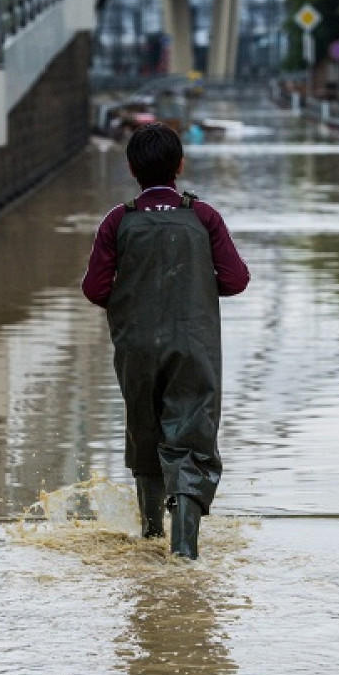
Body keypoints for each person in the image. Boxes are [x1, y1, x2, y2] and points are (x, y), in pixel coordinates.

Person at [81, 123, 250, 559]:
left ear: (132, 168)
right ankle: (184, 551)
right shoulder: (204, 216)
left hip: (136, 348)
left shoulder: (118, 220)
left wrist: (140, 294)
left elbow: (95, 290)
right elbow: (236, 280)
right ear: (180, 165)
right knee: (191, 440)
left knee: (146, 432)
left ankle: (151, 537)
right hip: (194, 347)